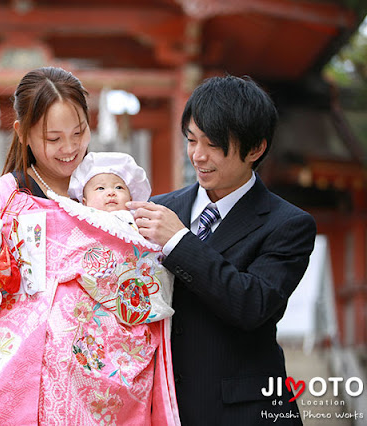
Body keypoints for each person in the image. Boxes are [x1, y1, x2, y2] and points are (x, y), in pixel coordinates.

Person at [0, 67, 180, 425]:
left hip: (101, 364)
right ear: (23, 134)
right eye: (53, 138)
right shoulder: (11, 195)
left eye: (79, 133)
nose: (70, 148)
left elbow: (138, 260)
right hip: (23, 366)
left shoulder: (108, 185)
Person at [128, 75, 316, 425]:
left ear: (255, 149)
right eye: (191, 140)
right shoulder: (158, 209)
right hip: (163, 408)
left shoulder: (289, 225)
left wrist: (179, 242)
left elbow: (251, 305)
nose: (198, 156)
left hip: (245, 413)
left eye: (213, 145)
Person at [67, 151, 151, 230]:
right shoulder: (82, 220)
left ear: (131, 199)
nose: (111, 193)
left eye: (118, 187)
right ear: (85, 202)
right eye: (100, 188)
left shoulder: (139, 220)